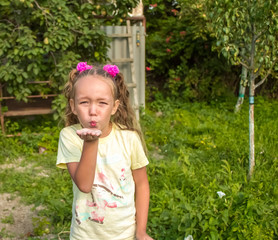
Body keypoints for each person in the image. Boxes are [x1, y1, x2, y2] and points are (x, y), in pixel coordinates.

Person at [56, 62, 153, 240]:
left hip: (125, 234)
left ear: (114, 107)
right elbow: (84, 185)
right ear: (73, 105)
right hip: (85, 235)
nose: (93, 111)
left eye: (102, 103)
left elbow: (142, 184)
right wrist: (91, 142)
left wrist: (141, 230)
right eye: (84, 102)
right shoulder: (69, 136)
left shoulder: (129, 138)